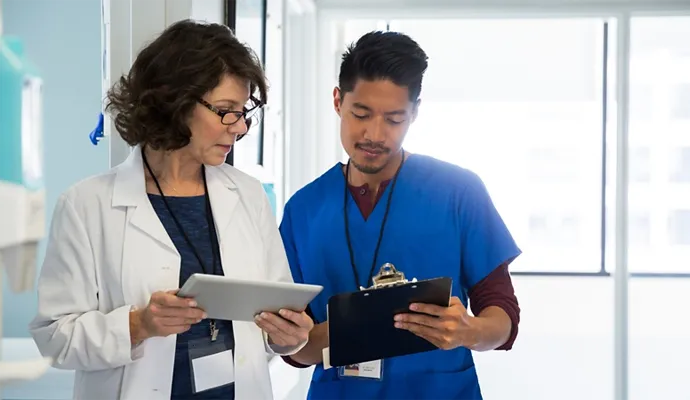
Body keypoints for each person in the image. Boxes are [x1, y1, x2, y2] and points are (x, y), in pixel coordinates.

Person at [29, 20, 313, 400]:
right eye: (226, 110)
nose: (240, 126)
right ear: (176, 102)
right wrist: (138, 324)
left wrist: (287, 337)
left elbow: (268, 322)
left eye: (244, 111)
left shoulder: (247, 195)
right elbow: (54, 336)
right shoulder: (87, 205)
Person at [279, 31, 522, 399]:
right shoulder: (303, 209)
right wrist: (326, 334)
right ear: (337, 101)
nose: (374, 134)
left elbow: (503, 314)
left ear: (415, 113)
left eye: (394, 119)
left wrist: (467, 330)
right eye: (360, 114)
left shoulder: (459, 191)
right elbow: (293, 347)